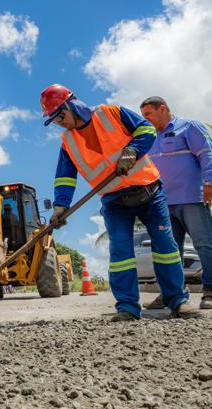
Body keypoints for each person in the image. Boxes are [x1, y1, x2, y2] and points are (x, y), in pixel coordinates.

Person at [39, 84, 199, 321]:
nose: (59, 122)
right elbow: (65, 177)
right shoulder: (68, 143)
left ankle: (177, 301)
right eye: (53, 120)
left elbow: (146, 129)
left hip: (150, 192)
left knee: (165, 248)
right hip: (114, 201)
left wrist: (132, 151)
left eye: (60, 115)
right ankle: (127, 307)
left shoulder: (112, 113)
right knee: (121, 252)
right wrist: (61, 206)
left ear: (73, 105)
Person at [140, 97, 212, 310]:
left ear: (163, 109)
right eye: (143, 116)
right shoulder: (149, 137)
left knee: (204, 244)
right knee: (168, 250)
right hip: (162, 202)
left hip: (192, 198)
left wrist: (210, 182)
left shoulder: (188, 127)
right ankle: (171, 293)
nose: (146, 119)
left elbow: (208, 153)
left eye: (149, 114)